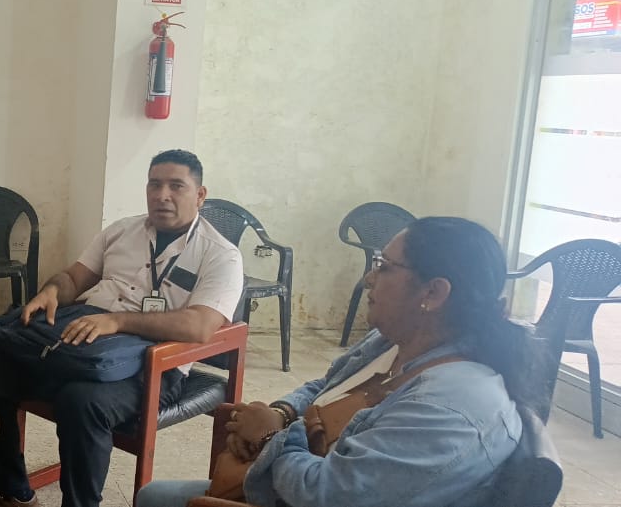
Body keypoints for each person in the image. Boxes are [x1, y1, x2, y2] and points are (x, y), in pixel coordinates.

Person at [135, 217, 536, 507]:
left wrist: (270, 438)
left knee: (155, 498)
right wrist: (282, 411)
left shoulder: (449, 409)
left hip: (305, 491)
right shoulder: (393, 341)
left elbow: (327, 494)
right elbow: (327, 386)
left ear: (433, 292)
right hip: (294, 472)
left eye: (384, 267)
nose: (369, 279)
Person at [0, 149, 245, 507]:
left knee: (81, 401)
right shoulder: (122, 230)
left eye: (176, 186)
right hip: (88, 343)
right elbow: (75, 278)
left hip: (155, 365)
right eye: (154, 184)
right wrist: (52, 291)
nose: (162, 195)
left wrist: (117, 321)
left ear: (200, 195)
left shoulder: (220, 254)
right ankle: (14, 490)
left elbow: (200, 325)